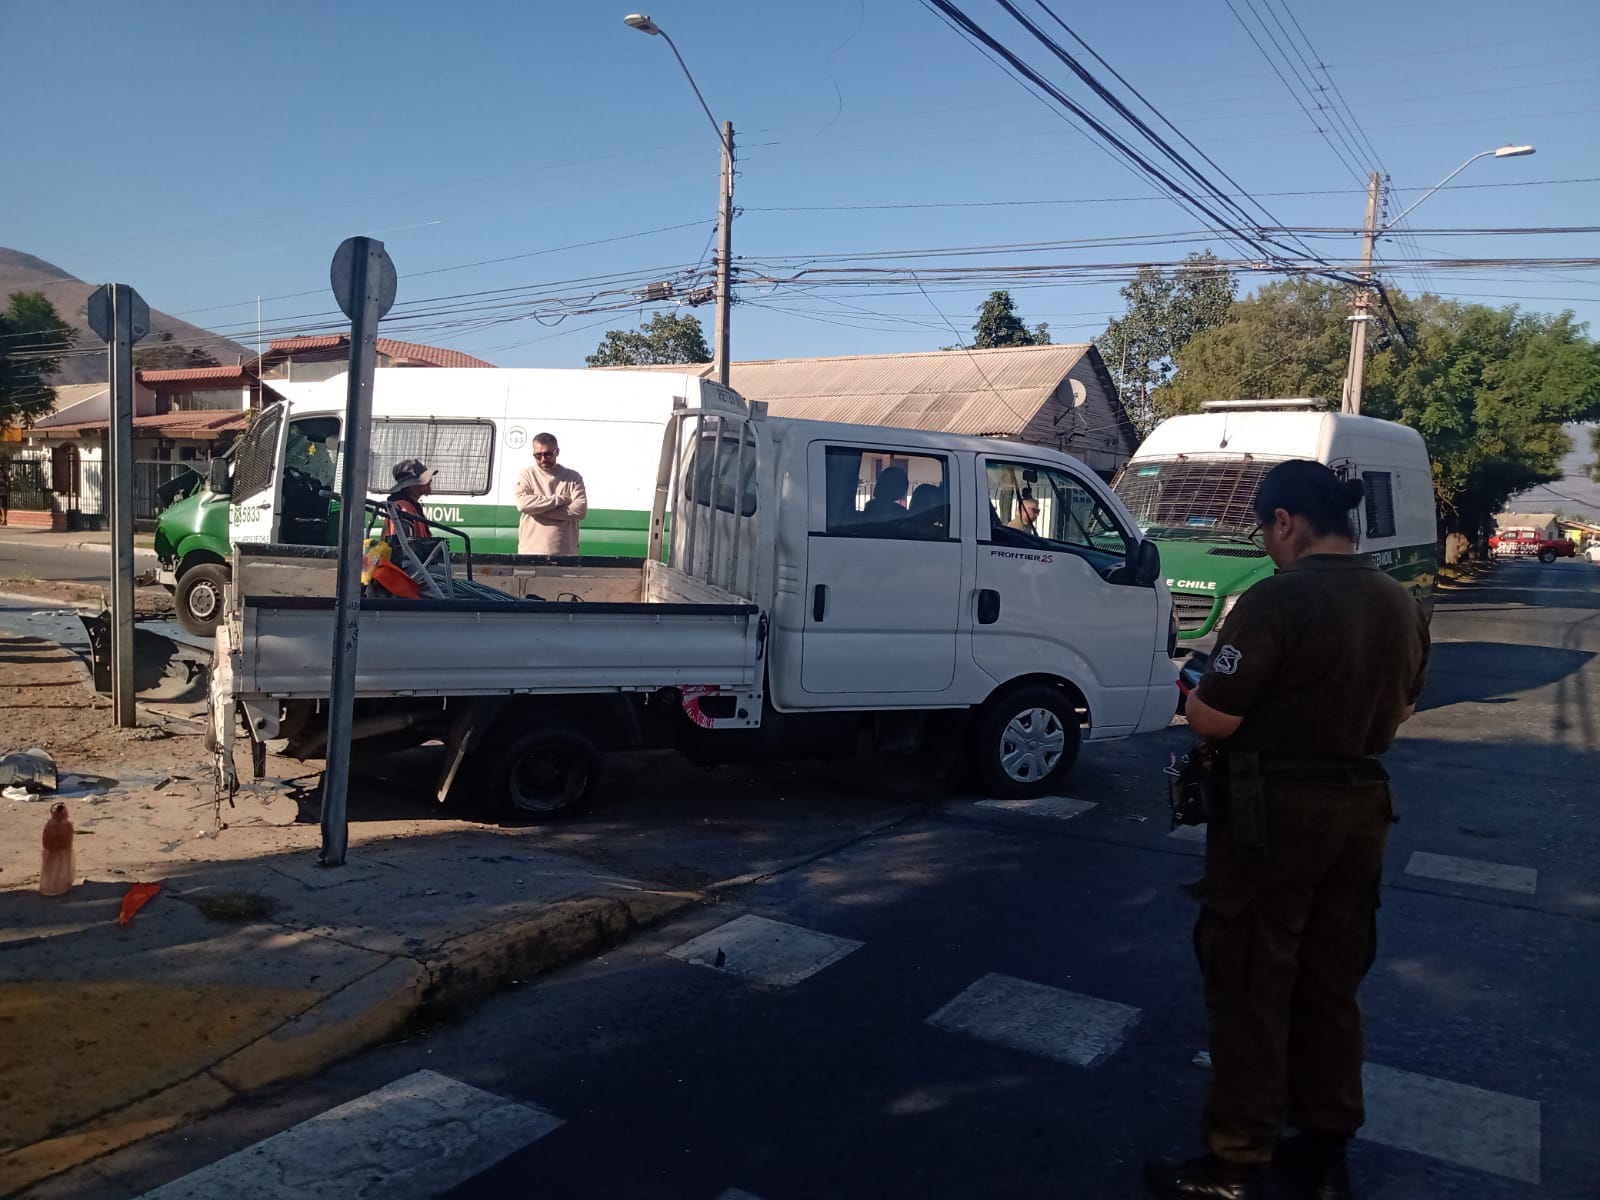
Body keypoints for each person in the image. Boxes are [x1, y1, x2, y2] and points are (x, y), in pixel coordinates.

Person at [1145, 460, 1430, 1200]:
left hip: (1274, 816)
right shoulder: (1399, 602)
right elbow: (1401, 709)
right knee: (1331, 982)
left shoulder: (1277, 598)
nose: (1266, 543)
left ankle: (1236, 1161)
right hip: (1361, 810)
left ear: (1285, 522)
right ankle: (1325, 1151)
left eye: (1263, 528)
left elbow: (1216, 716)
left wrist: (1189, 692)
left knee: (1250, 983)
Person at [515, 433, 588, 555]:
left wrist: (536, 510)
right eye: (538, 455)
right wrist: (559, 500)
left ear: (557, 452)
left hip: (565, 555)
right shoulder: (526, 475)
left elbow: (579, 511)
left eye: (548, 454)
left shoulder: (573, 478)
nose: (543, 459)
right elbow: (523, 505)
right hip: (529, 554)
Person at [383, 458, 435, 541]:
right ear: (411, 486)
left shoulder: (412, 506)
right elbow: (403, 546)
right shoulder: (403, 507)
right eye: (425, 479)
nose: (430, 480)